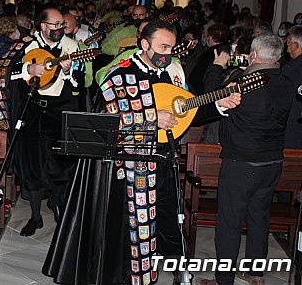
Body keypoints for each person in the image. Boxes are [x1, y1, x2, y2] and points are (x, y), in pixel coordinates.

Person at [44, 20, 241, 285]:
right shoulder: (119, 73)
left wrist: (218, 105)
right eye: (162, 46)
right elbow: (104, 118)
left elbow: (188, 111)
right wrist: (150, 117)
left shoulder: (174, 72)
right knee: (128, 230)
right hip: (128, 166)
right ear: (145, 44)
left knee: (171, 221)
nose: (167, 53)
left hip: (164, 159)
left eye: (171, 47)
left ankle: (180, 274)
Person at [199, 34, 293, 285]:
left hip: (242, 161)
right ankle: (255, 272)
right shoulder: (287, 81)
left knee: (229, 221)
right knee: (259, 217)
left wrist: (217, 67)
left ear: (253, 55)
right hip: (273, 161)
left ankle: (224, 279)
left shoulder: (244, 81)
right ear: (279, 57)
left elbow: (211, 99)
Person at [6, 8, 84, 236]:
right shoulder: (25, 46)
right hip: (33, 113)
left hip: (60, 113)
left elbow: (81, 85)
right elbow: (6, 73)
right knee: (33, 165)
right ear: (42, 26)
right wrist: (28, 69)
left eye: (62, 25)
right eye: (55, 25)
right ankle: (35, 217)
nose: (59, 29)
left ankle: (60, 210)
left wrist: (69, 73)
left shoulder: (72, 48)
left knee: (60, 165)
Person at [283, 25, 302, 148]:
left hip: (293, 125)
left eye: (288, 44)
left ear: (295, 46)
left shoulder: (293, 70)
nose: (287, 49)